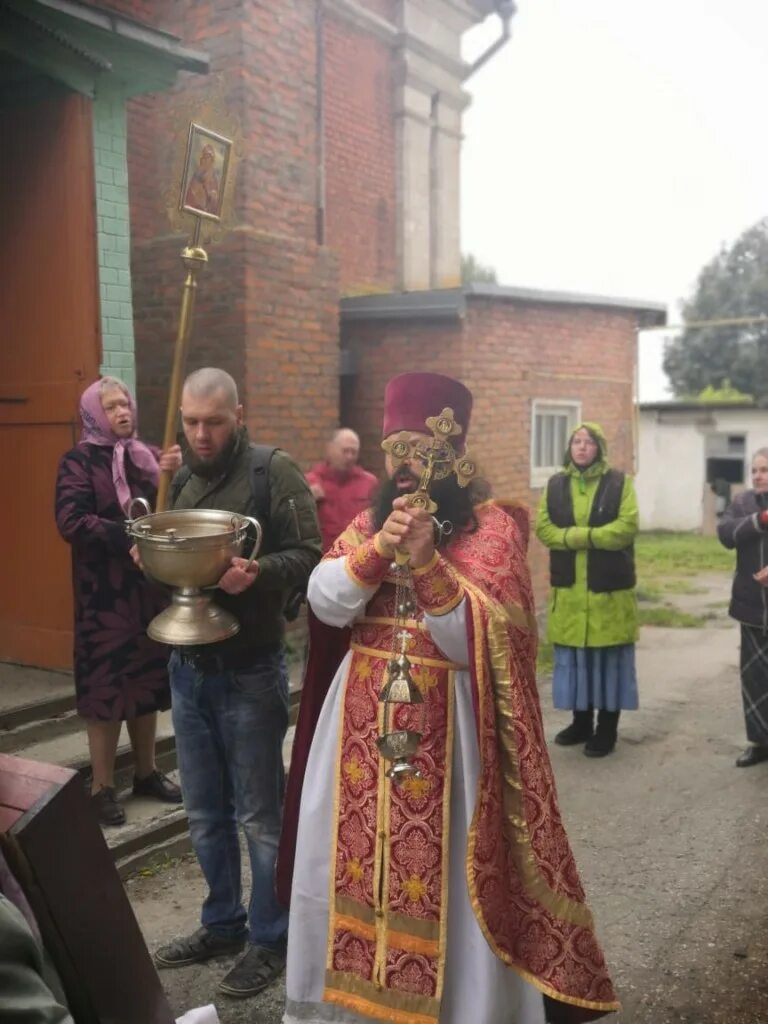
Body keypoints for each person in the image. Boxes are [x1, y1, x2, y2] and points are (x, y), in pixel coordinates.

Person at [280, 374, 618, 1024]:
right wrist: (378, 550)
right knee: (345, 876)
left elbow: (478, 643)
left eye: (421, 447)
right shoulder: (369, 521)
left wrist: (430, 561)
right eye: (395, 448)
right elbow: (324, 602)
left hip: (453, 746)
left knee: (451, 899)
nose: (407, 464)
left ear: (453, 452)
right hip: (355, 740)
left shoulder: (493, 530)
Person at [151, 368, 322, 1001]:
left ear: (237, 414)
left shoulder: (270, 471)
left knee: (259, 815)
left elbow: (311, 551)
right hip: (188, 669)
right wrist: (151, 562)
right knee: (202, 814)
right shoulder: (181, 480)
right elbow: (174, 571)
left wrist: (260, 571)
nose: (200, 433)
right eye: (191, 421)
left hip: (250, 669)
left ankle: (271, 938)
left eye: (212, 422)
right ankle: (222, 922)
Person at [55, 377, 183, 826]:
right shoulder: (78, 462)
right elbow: (70, 521)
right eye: (111, 407)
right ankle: (101, 786)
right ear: (93, 414)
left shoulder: (144, 457)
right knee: (107, 687)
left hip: (146, 589)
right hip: (103, 597)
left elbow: (167, 506)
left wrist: (172, 474)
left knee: (145, 681)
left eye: (125, 403)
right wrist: (127, 534)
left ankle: (146, 773)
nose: (122, 411)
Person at [535, 423, 639, 758]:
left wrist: (579, 538)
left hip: (607, 593)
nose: (581, 447)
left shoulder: (619, 483)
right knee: (577, 662)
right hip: (570, 593)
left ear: (600, 448)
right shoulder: (555, 485)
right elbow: (544, 528)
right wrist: (583, 537)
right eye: (576, 442)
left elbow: (626, 528)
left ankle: (606, 729)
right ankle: (581, 723)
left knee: (607, 662)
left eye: (589, 442)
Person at [718, 447, 768, 767]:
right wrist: (760, 519)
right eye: (755, 470)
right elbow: (726, 534)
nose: (758, 475)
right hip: (751, 607)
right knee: (754, 680)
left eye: (764, 470)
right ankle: (760, 743)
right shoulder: (742, 502)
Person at [306, 428, 377, 553]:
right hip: (321, 559)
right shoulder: (310, 482)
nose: (349, 456)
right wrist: (306, 500)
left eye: (353, 452)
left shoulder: (370, 483)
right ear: (330, 450)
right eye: (345, 451)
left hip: (357, 560)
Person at [184, 144, 221, 215]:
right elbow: (189, 196)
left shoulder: (214, 179)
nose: (205, 160)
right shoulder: (197, 174)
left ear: (212, 160)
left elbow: (215, 202)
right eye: (204, 157)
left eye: (208, 157)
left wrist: (210, 193)